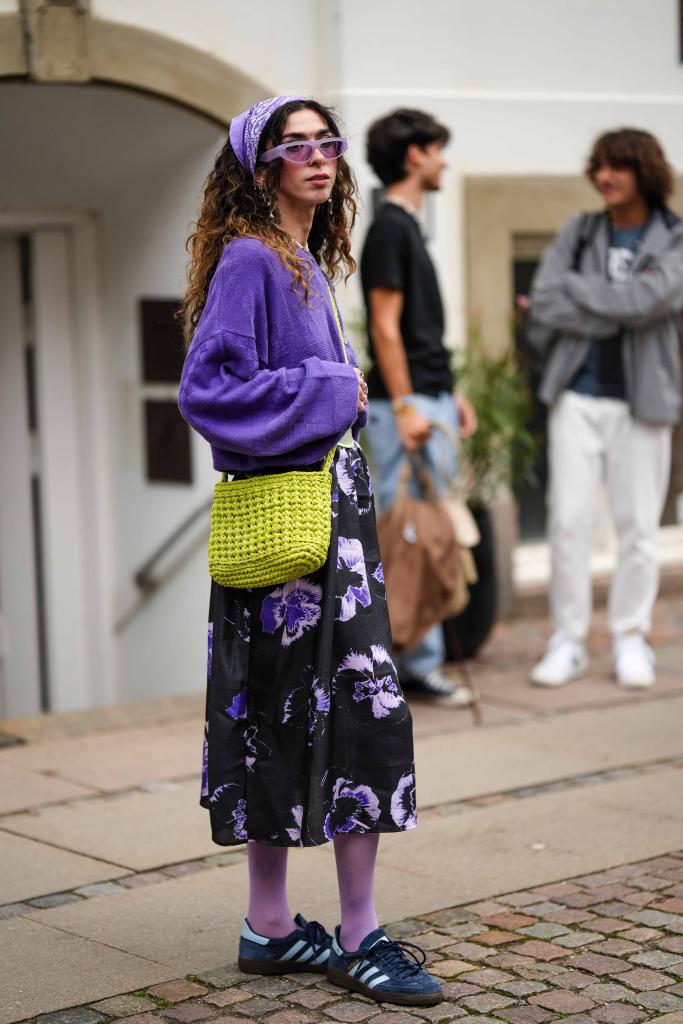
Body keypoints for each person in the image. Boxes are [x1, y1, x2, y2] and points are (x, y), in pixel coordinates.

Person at [178, 96, 443, 1008]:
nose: (319, 158)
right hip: (299, 540)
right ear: (260, 167)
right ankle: (359, 935)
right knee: (350, 713)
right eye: (296, 147)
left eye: (326, 142)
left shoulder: (297, 258)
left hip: (329, 530)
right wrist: (332, 386)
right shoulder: (254, 261)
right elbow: (207, 392)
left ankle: (272, 928)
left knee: (290, 715)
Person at [525, 127, 683, 689]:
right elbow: (544, 301)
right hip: (577, 395)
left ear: (645, 171)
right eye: (599, 166)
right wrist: (623, 308)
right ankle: (568, 637)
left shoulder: (673, 237)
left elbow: (653, 299)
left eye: (618, 166)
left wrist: (583, 294)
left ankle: (629, 636)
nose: (605, 177)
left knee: (638, 528)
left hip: (643, 403)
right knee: (567, 522)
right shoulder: (581, 229)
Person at [360, 108, 477, 705]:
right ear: (414, 156)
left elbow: (417, 329)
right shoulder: (389, 229)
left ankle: (417, 663)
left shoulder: (407, 226)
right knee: (407, 533)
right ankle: (408, 666)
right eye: (437, 150)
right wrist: (407, 405)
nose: (444, 161)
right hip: (402, 406)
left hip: (425, 396)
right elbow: (384, 329)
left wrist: (446, 391)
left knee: (428, 531)